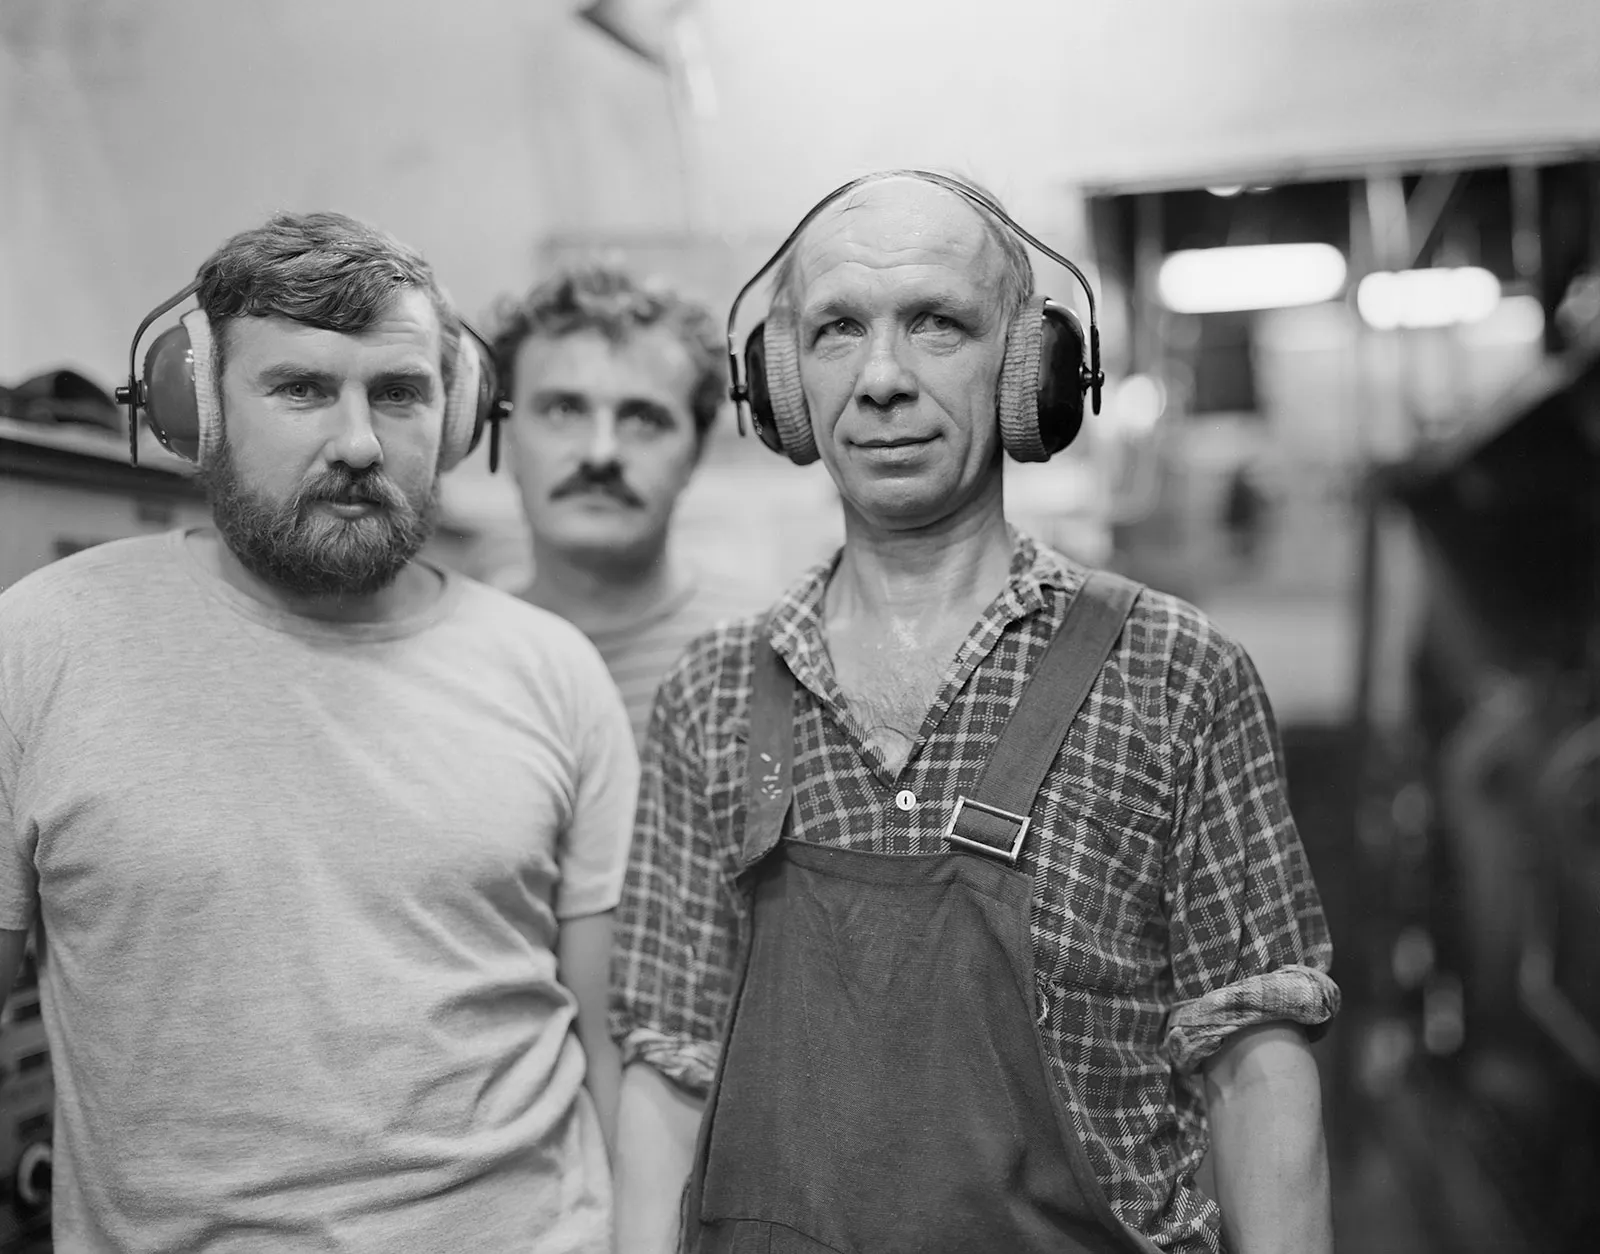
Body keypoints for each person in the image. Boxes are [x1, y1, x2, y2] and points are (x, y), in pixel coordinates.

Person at [609, 173, 1340, 1254]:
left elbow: (1256, 1068)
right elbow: (670, 1075)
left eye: (937, 325)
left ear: (1027, 370)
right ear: (782, 383)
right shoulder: (715, 693)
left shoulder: (1171, 674)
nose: (883, 379)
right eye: (837, 330)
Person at [0, 212, 636, 1253]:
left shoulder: (551, 669)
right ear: (195, 410)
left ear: (460, 415)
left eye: (398, 393)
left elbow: (614, 1049)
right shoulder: (42, 644)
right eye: (299, 388)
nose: (355, 441)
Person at [492, 265, 756, 747]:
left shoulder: (773, 656)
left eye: (644, 419)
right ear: (508, 434)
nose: (600, 454)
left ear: (696, 452)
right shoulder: (454, 654)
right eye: (563, 410)